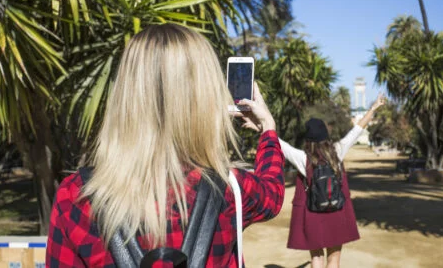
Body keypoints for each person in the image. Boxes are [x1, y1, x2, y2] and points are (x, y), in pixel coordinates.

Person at [45, 24, 285, 267]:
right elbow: (273, 192)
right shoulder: (231, 189)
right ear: (204, 97)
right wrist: (268, 129)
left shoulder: (75, 196)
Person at [280, 95, 386, 268]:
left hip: (313, 211)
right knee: (334, 260)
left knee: (316, 259)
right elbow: (357, 130)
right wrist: (373, 108)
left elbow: (281, 145)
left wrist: (259, 126)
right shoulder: (337, 150)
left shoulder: (303, 158)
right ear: (325, 135)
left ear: (308, 139)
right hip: (336, 210)